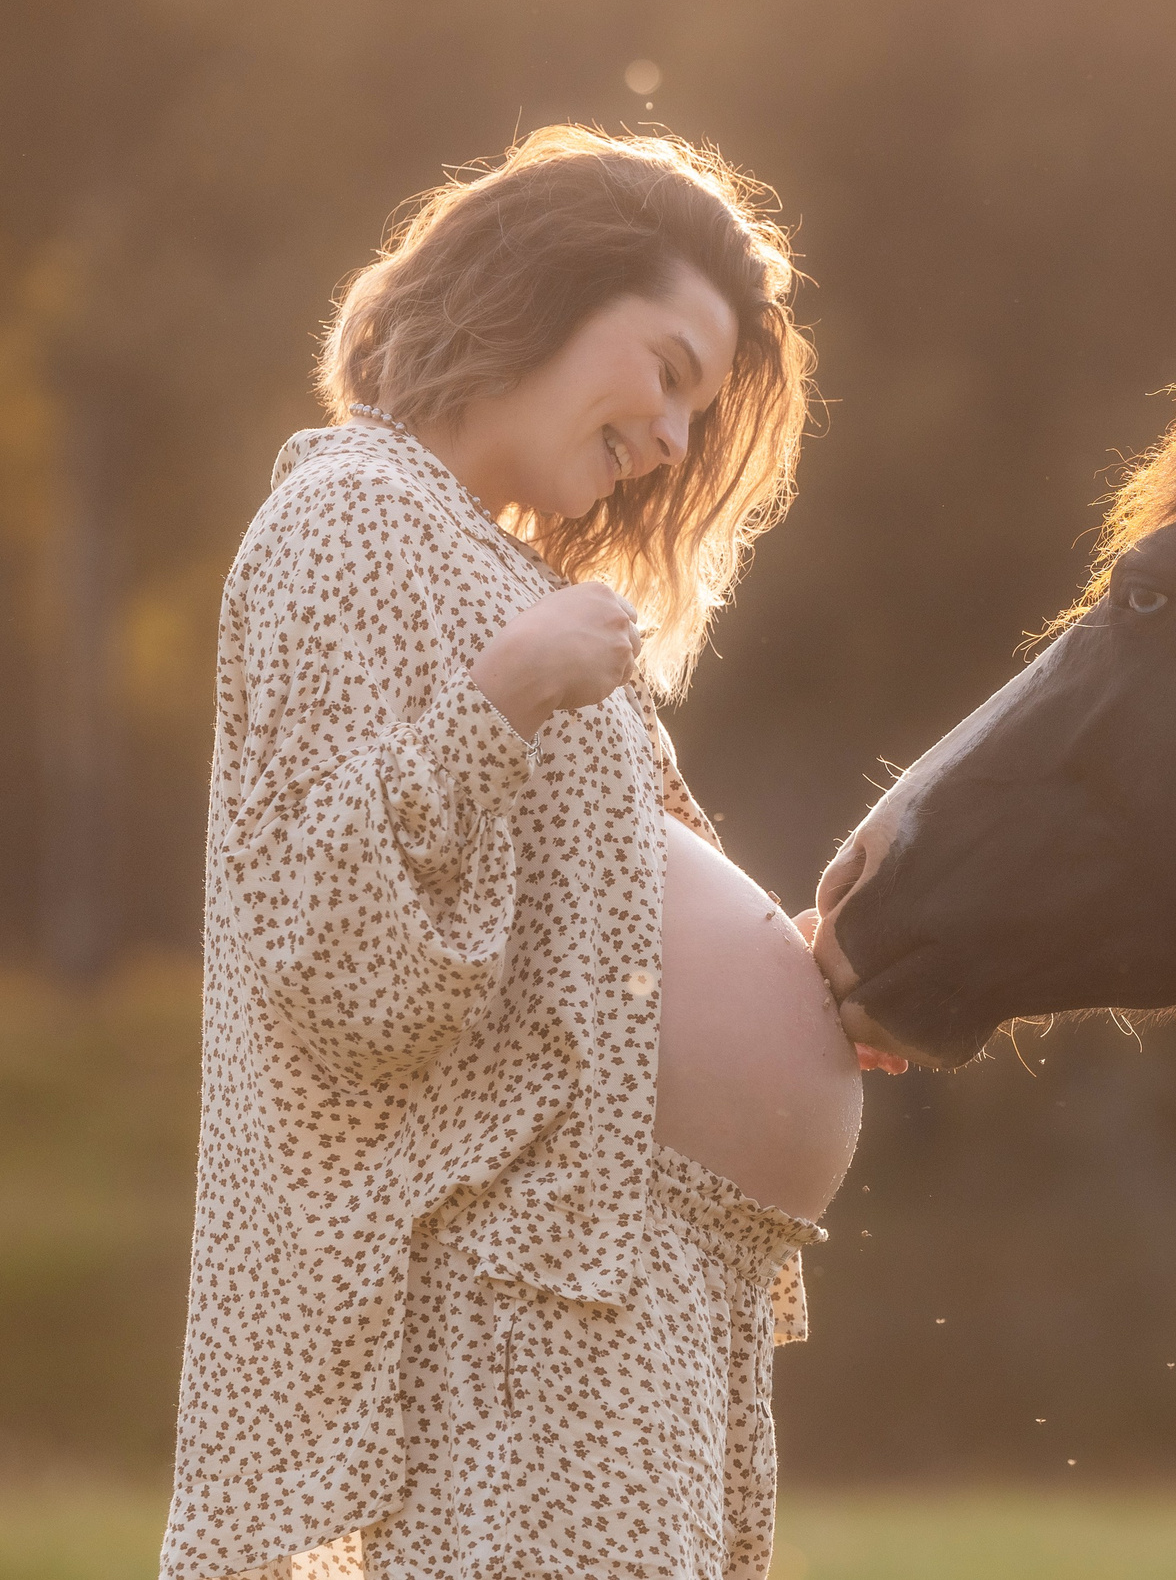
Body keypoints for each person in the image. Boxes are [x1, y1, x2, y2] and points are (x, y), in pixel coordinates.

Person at [163, 125, 890, 1580]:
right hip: (504, 1329)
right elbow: (330, 953)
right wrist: (503, 701)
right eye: (671, 373)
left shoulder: (491, 568)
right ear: (544, 292)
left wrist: (820, 980)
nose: (677, 443)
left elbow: (610, 913)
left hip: (614, 1301)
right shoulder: (347, 522)